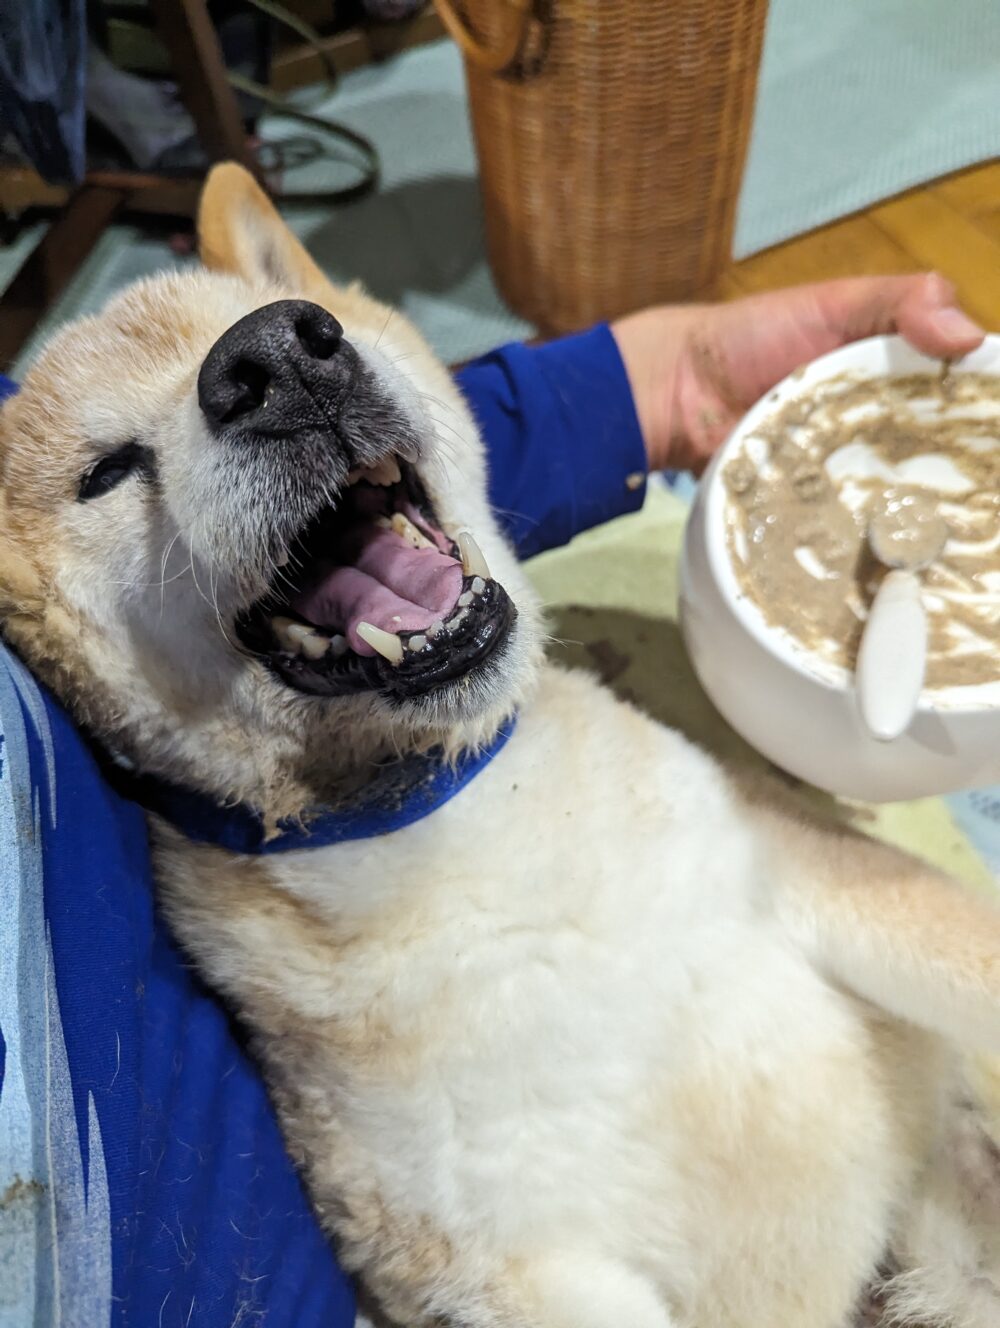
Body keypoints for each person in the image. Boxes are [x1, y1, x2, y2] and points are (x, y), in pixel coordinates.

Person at [0, 273, 983, 1328]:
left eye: (308, 327)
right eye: (109, 470)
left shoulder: (578, 743)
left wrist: (662, 383)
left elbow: (880, 916)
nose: (274, 362)